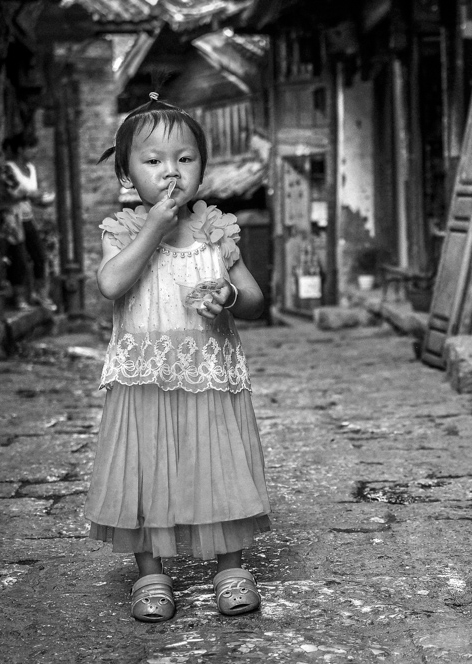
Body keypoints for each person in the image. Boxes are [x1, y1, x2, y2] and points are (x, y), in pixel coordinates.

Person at [85, 92, 271, 623]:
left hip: (208, 374)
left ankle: (231, 567)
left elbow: (255, 301)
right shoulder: (122, 231)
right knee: (146, 471)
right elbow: (111, 284)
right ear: (127, 174)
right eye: (153, 161)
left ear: (203, 169)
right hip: (146, 379)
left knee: (218, 464)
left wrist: (228, 298)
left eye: (185, 159)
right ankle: (151, 572)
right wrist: (153, 229)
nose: (171, 172)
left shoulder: (217, 229)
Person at [1, 133, 56, 311]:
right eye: (30, 147)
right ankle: (19, 298)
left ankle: (40, 295)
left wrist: (42, 200)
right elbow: (11, 192)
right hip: (11, 218)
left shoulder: (31, 169)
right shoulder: (8, 168)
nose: (35, 151)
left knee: (40, 256)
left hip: (27, 217)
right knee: (19, 258)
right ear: (20, 149)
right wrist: (31, 195)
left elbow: (31, 197)